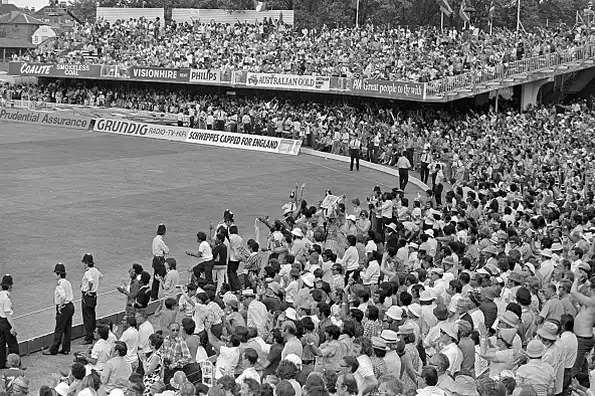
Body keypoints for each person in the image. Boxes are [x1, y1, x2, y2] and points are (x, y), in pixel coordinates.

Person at [43, 262, 75, 355]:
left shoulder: (60, 285)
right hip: (70, 306)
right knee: (67, 328)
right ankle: (66, 348)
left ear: (58, 274)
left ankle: (53, 349)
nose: (54, 275)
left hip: (64, 306)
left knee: (59, 328)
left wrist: (60, 306)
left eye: (55, 273)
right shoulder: (67, 282)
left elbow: (63, 296)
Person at [81, 253, 103, 345]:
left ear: (86, 263)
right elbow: (101, 276)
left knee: (87, 317)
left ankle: (88, 337)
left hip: (88, 296)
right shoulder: (96, 270)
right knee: (92, 315)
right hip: (94, 295)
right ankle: (93, 334)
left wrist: (88, 289)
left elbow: (90, 281)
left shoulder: (88, 271)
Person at [0, 275, 18, 369]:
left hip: (0, 321)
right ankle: (16, 364)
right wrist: (13, 326)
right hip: (6, 321)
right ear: (10, 286)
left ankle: (1, 363)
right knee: (13, 344)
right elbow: (7, 314)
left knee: (1, 343)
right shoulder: (6, 298)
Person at [151, 224, 169, 300]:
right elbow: (167, 250)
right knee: (163, 278)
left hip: (155, 260)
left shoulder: (155, 239)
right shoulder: (160, 241)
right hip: (160, 261)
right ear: (164, 232)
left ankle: (153, 296)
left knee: (155, 278)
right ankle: (167, 293)